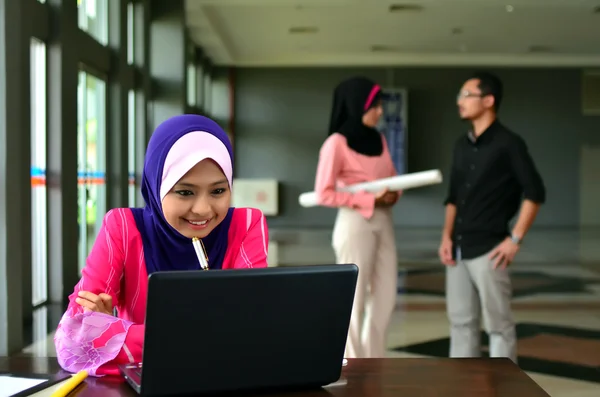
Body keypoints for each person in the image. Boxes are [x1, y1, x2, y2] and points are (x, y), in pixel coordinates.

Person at [54, 114, 269, 376]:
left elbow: (253, 331)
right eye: (185, 192)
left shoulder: (246, 224)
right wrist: (211, 336)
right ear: (157, 185)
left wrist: (113, 333)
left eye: (218, 191)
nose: (202, 209)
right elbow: (73, 343)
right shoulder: (121, 227)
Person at [439, 71, 545, 363]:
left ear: (488, 100)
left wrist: (515, 239)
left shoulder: (510, 144)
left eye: (466, 95)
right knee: (461, 324)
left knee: (498, 326)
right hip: (458, 251)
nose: (459, 101)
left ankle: (505, 386)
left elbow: (535, 193)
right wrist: (446, 237)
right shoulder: (461, 145)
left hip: (490, 250)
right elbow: (453, 197)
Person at [314, 76, 400, 359]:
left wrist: (391, 195)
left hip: (383, 221)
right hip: (354, 223)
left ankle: (374, 359)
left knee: (386, 295)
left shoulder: (379, 139)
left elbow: (391, 178)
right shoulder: (336, 144)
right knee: (355, 298)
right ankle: (352, 361)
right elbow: (324, 193)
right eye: (374, 106)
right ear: (358, 105)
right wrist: (369, 199)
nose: (380, 111)